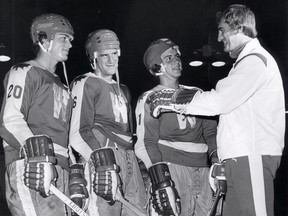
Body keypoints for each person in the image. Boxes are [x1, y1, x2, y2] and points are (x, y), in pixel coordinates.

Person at [149, 4, 285, 216]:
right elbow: (233, 114)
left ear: (238, 27)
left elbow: (220, 101)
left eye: (222, 30)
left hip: (251, 158)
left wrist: (174, 98)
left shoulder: (255, 61)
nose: (220, 38)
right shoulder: (244, 63)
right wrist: (222, 161)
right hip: (240, 160)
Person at [0, 13, 76, 216]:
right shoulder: (24, 71)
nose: (69, 44)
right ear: (43, 39)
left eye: (70, 39)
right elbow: (9, 121)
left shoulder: (63, 87)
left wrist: (75, 171)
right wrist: (37, 156)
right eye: (63, 38)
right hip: (31, 168)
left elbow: (65, 137)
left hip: (60, 169)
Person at [135, 38, 218, 216]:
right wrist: (160, 180)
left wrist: (217, 161)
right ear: (157, 67)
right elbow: (145, 142)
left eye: (177, 56)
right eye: (169, 58)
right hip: (172, 171)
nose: (177, 60)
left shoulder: (197, 93)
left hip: (203, 171)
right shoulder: (149, 98)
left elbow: (211, 133)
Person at [69, 29, 147, 216]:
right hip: (103, 155)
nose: (112, 60)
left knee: (138, 210)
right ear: (93, 58)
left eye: (114, 54)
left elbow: (129, 133)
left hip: (128, 160)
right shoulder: (85, 82)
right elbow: (78, 131)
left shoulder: (125, 90)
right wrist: (99, 162)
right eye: (105, 55)